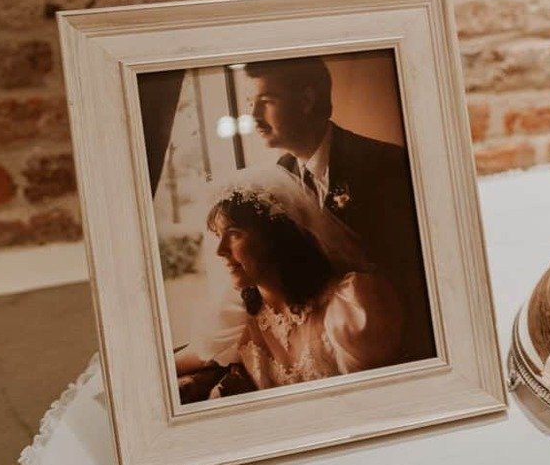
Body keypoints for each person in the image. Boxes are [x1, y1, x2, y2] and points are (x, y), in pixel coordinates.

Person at [243, 57, 434, 364]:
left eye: (266, 101)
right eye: (250, 102)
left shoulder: (386, 165)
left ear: (306, 100)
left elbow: (415, 274)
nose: (253, 116)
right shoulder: (280, 175)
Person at [173, 167, 408, 401]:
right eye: (217, 236)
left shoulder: (349, 306)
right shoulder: (238, 315)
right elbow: (191, 358)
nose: (219, 251)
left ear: (274, 237)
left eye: (234, 234)